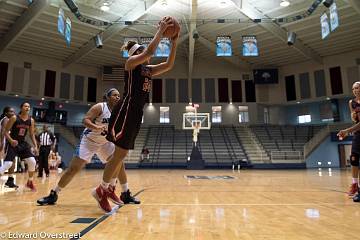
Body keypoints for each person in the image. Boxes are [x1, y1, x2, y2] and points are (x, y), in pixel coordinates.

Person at [92, 16, 180, 213]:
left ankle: (109, 188)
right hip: (127, 109)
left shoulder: (147, 70)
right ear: (136, 52)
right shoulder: (131, 63)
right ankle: (101, 190)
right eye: (141, 51)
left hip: (136, 112)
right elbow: (150, 51)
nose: (146, 54)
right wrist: (161, 30)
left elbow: (168, 65)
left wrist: (174, 42)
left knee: (121, 154)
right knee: (118, 154)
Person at [37, 88, 132, 206]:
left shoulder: (119, 111)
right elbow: (85, 120)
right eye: (114, 95)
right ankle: (53, 194)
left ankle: (111, 190)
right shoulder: (100, 107)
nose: (117, 97)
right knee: (73, 169)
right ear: (107, 97)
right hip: (89, 141)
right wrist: (95, 127)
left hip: (105, 142)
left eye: (118, 96)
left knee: (118, 161)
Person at [1, 102, 38, 190]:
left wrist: (35, 146)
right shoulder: (14, 118)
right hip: (13, 143)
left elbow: (32, 134)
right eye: (25, 106)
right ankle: (9, 180)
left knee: (32, 161)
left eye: (29, 106)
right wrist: (11, 140)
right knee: (8, 164)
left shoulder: (31, 120)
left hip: (22, 144)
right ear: (21, 108)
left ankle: (30, 182)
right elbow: (5, 132)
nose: (27, 108)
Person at [338, 82, 360, 201]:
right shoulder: (351, 102)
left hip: (356, 130)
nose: (355, 90)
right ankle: (354, 184)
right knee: (354, 158)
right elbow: (355, 120)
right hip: (358, 133)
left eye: (357, 88)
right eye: (353, 89)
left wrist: (346, 131)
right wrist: (353, 116)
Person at [0, 107, 16, 181]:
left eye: (13, 111)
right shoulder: (6, 119)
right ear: (6, 113)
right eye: (11, 111)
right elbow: (3, 131)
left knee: (12, 161)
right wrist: (2, 142)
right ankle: (10, 180)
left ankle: (10, 180)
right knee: (10, 161)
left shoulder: (7, 119)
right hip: (4, 142)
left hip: (6, 141)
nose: (13, 113)